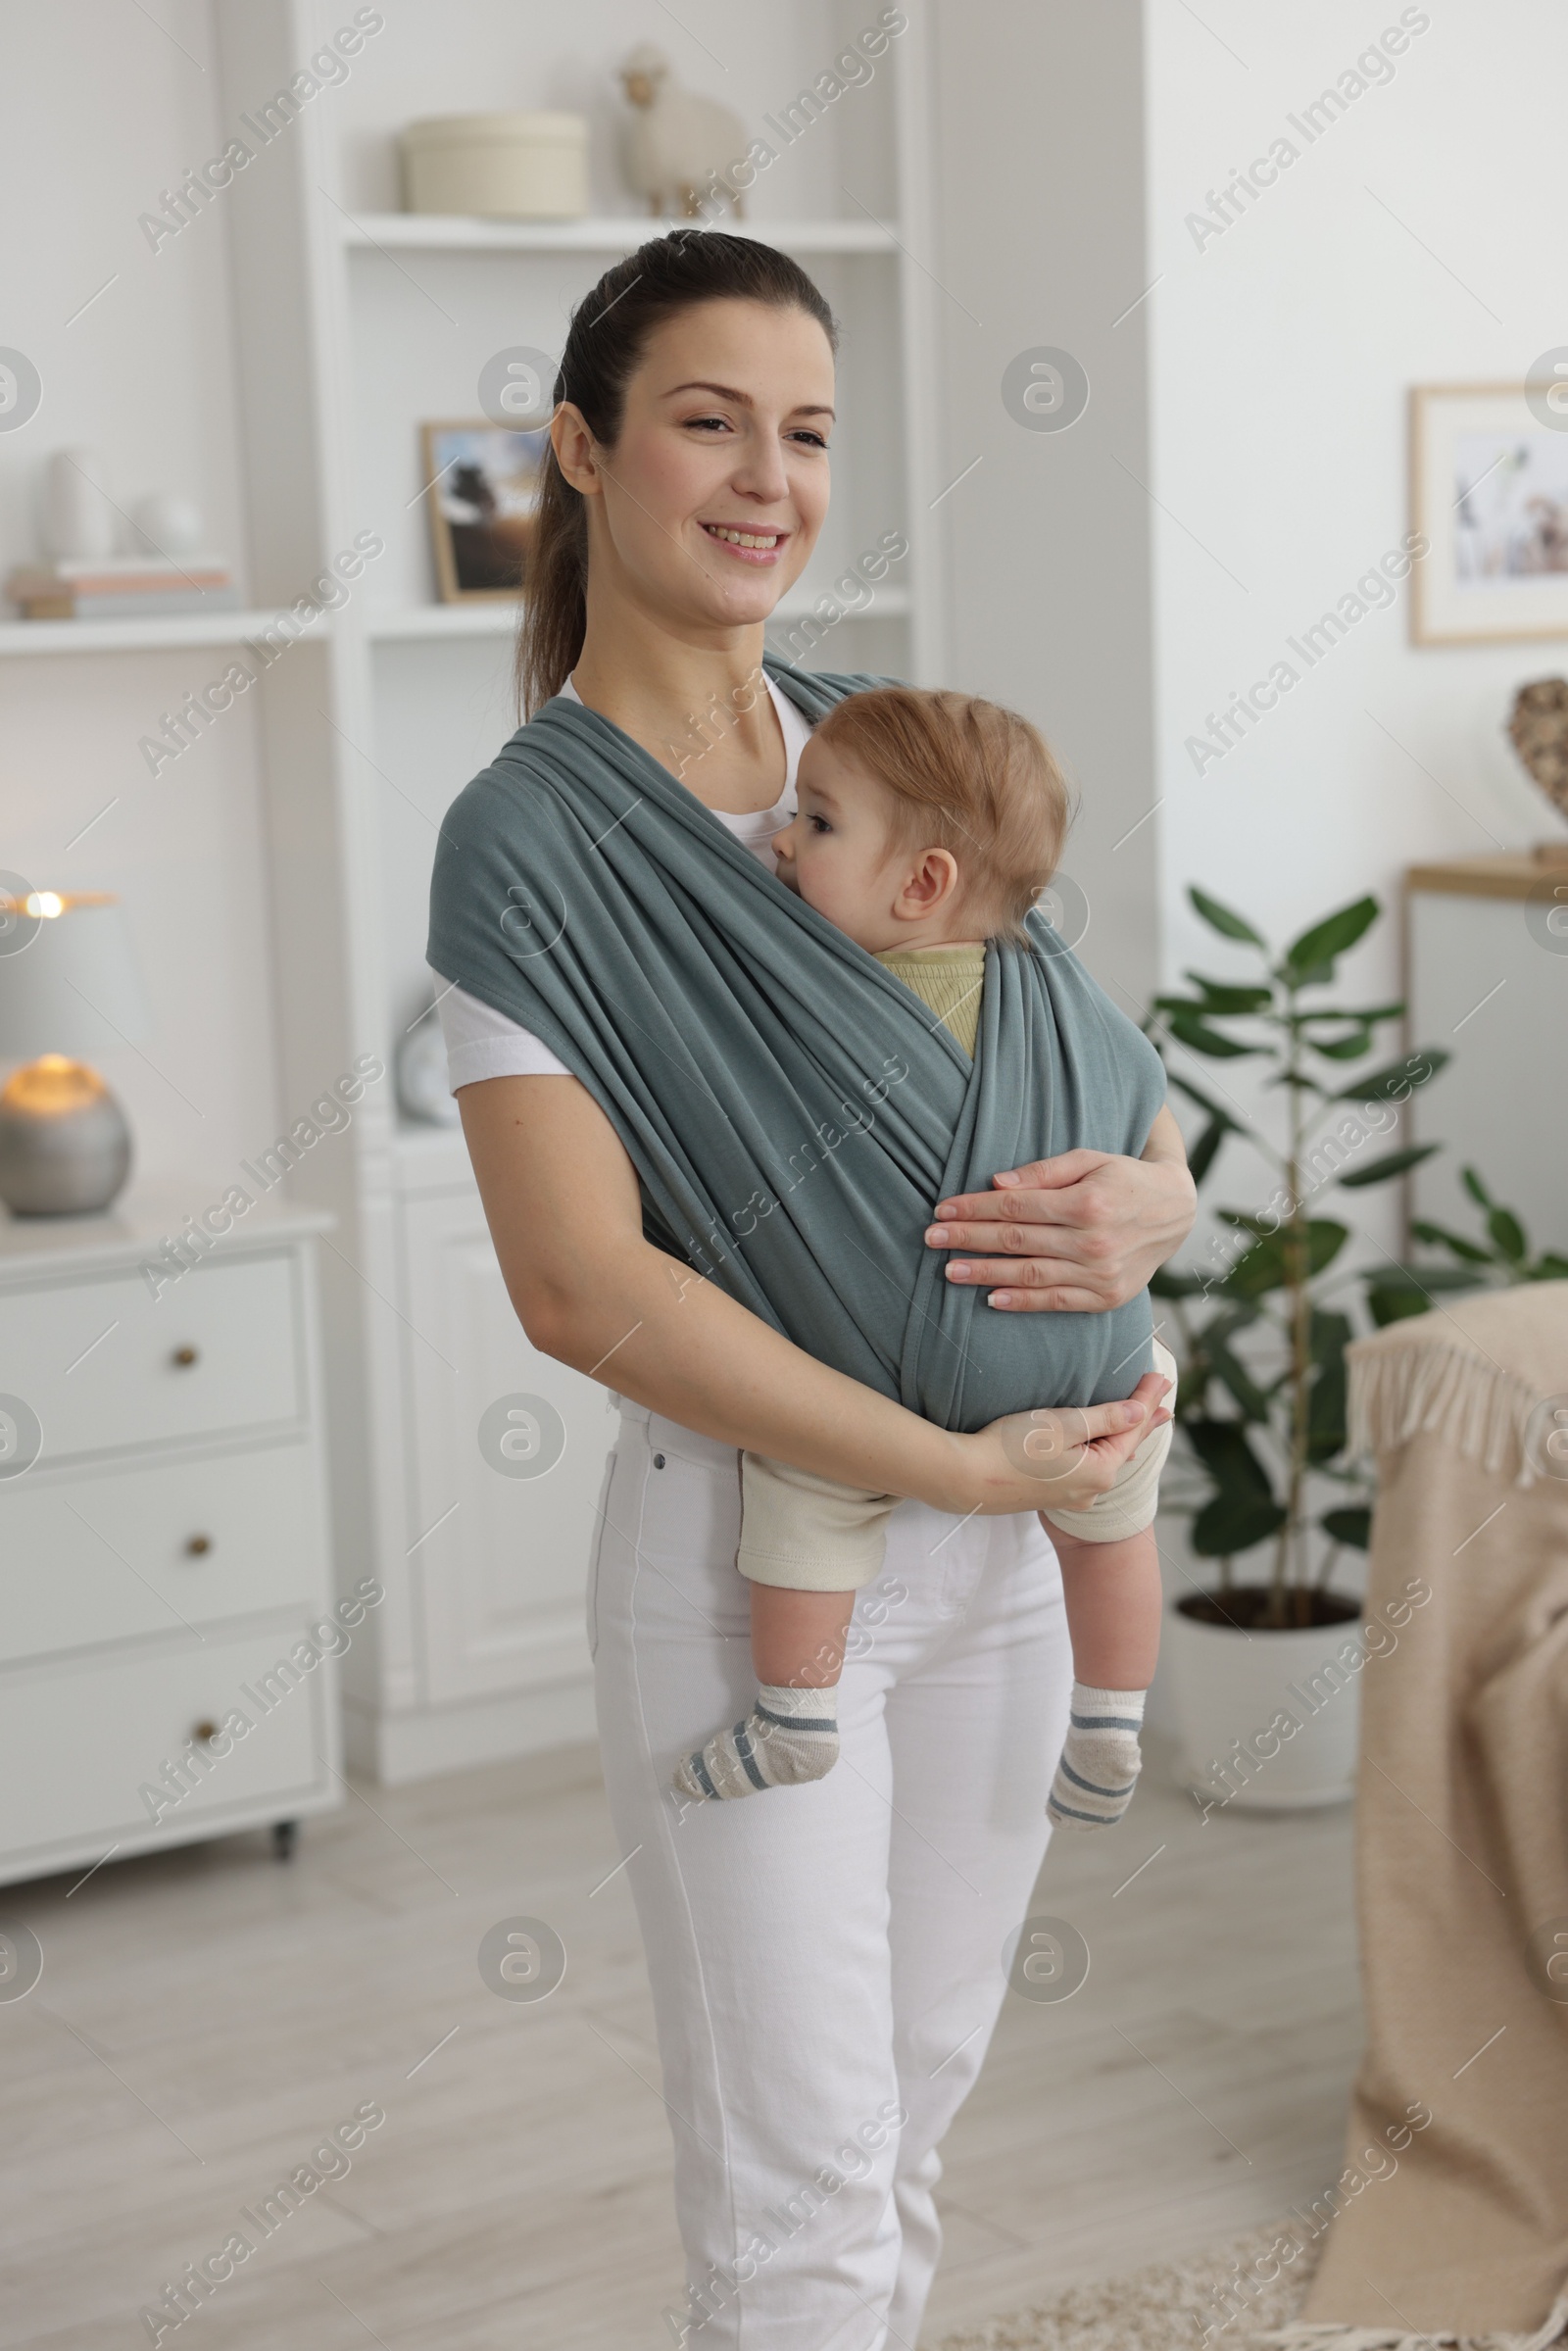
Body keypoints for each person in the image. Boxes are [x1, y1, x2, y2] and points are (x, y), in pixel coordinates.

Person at [430, 229, 1195, 2350]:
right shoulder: (531, 841)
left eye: (807, 431)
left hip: (1016, 1542)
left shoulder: (886, 739)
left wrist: (1162, 1208)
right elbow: (578, 1290)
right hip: (769, 1550)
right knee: (797, 2193)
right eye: (706, 420)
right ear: (578, 450)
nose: (766, 477)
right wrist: (950, 1469)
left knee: (902, 2130)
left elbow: (1103, 1088)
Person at [673, 683, 1171, 1833]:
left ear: (920, 884)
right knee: (1117, 1512)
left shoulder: (814, 996)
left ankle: (795, 1715)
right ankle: (1109, 1718)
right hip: (1087, 1373)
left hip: (895, 1376)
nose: (783, 842)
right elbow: (1139, 1100)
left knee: (804, 1478)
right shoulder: (1054, 993)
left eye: (819, 822)